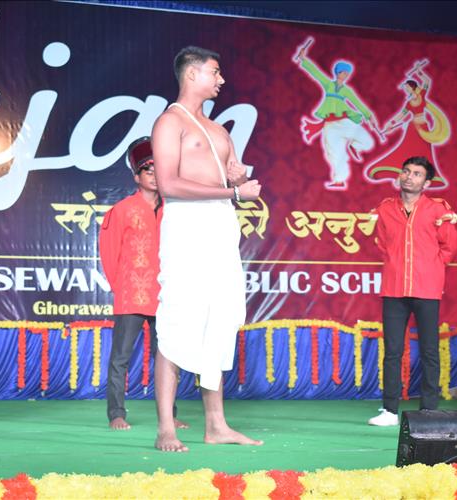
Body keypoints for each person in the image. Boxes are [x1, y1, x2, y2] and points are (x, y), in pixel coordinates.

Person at [151, 46, 263, 452]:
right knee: (178, 320)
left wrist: (239, 180)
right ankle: (166, 427)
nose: (221, 80)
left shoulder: (219, 130)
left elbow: (231, 181)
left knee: (220, 319)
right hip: (186, 225)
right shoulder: (169, 122)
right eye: (215, 72)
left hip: (220, 225)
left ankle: (216, 425)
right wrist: (232, 191)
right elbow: (168, 184)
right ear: (192, 74)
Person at [99, 137, 187, 431]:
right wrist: (122, 288)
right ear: (137, 177)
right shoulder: (122, 210)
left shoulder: (174, 211)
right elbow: (109, 254)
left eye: (158, 170)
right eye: (148, 170)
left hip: (166, 296)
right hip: (132, 296)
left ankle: (169, 415)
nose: (154, 175)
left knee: (168, 358)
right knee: (120, 359)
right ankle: (116, 414)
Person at [368, 156, 457, 426]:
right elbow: (381, 244)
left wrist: (431, 267)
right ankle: (389, 411)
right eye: (406, 171)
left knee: (429, 350)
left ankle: (428, 411)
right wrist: (396, 264)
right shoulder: (385, 208)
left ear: (426, 183)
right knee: (392, 350)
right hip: (394, 288)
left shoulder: (437, 209)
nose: (409, 177)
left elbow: (449, 247)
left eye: (417, 174)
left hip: (427, 288)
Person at [294, 38, 378, 191]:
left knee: (368, 142)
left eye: (347, 73)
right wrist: (303, 58)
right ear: (338, 72)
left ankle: (353, 146)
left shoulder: (347, 90)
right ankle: (339, 180)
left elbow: (357, 103)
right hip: (330, 124)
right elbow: (316, 73)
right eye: (343, 72)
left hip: (345, 121)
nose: (345, 75)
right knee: (334, 153)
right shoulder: (329, 84)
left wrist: (368, 115)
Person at [364, 63, 450, 189]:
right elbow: (401, 115)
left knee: (423, 153)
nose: (406, 90)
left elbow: (427, 81)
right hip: (412, 128)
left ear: (411, 87)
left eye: (407, 88)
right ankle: (402, 175)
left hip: (423, 128)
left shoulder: (421, 95)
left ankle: (421, 178)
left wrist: (419, 71)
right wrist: (391, 123)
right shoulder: (409, 103)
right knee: (406, 152)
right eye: (405, 89)